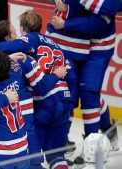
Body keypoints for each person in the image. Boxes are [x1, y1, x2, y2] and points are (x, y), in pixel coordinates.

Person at [0, 19, 71, 169]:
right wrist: (55, 74)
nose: (18, 35)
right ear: (7, 39)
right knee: (37, 161)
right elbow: (42, 86)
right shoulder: (24, 59)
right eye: (14, 32)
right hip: (23, 125)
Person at [48, 0, 118, 167]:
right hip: (69, 41)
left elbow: (98, 24)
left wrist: (66, 23)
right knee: (68, 93)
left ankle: (93, 144)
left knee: (88, 94)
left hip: (98, 45)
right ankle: (62, 139)